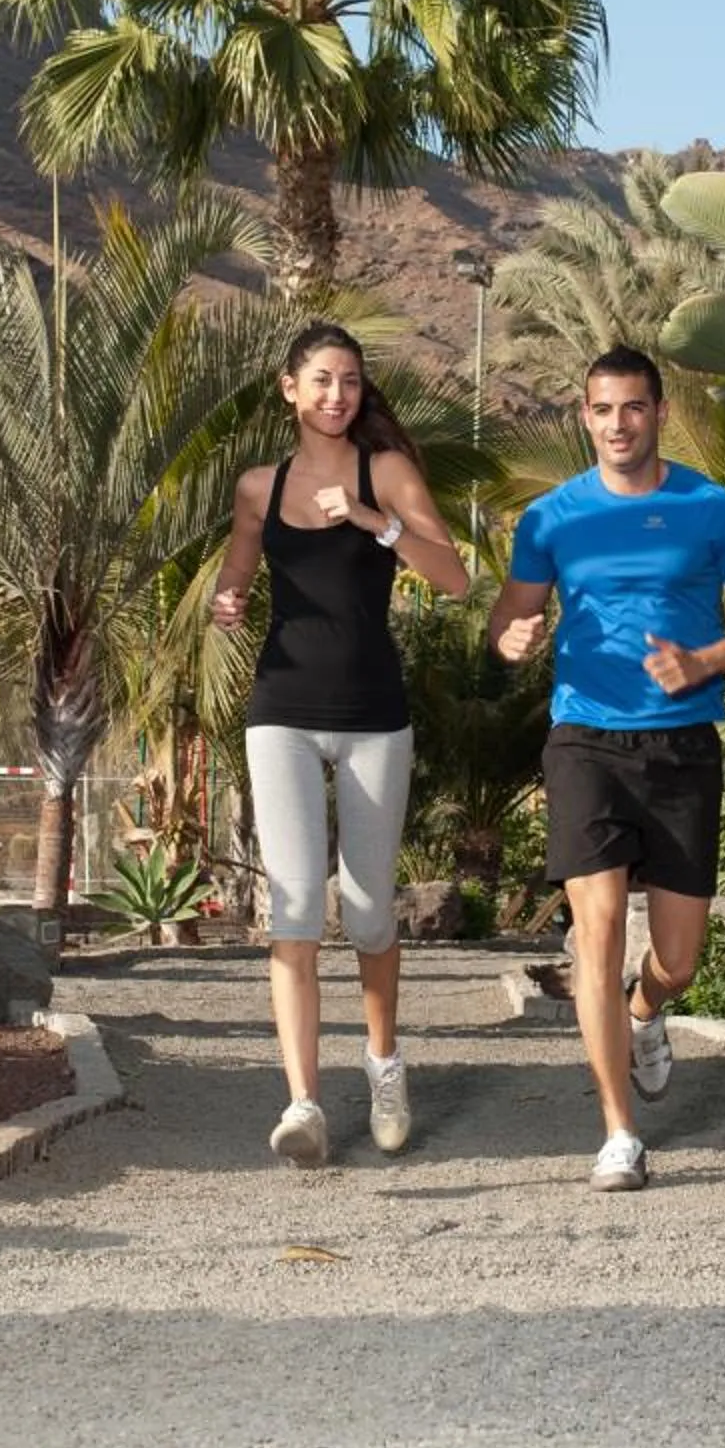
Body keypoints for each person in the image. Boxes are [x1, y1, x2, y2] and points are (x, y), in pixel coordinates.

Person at [485, 346, 725, 1191]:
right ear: (584, 417)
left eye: (633, 408)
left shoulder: (711, 509)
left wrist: (706, 660)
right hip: (585, 738)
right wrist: (513, 640)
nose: (617, 424)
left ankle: (645, 1012)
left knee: (679, 959)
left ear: (658, 412)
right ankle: (619, 1132)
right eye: (602, 409)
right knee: (599, 929)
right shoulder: (550, 518)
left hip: (683, 744)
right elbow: (507, 622)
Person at [213, 323, 469, 1167]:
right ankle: (303, 1105)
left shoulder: (385, 472)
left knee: (365, 911)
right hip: (281, 705)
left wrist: (372, 521)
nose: (337, 395)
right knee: (290, 909)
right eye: (321, 380)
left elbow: (456, 578)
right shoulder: (259, 485)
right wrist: (228, 601)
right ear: (289, 388)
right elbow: (239, 571)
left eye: (350, 382)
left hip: (372, 713)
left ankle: (384, 1065)